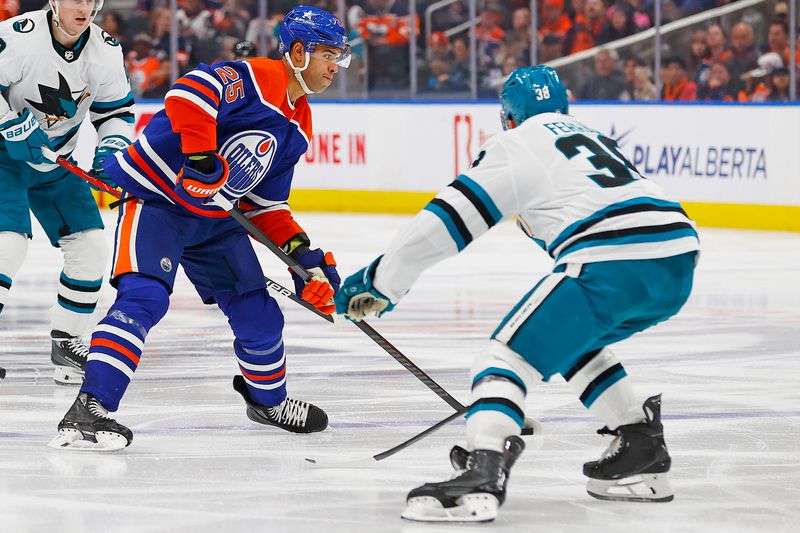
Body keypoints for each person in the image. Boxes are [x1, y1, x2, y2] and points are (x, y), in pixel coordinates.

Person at [335, 66, 699, 522]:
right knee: (571, 343)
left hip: (613, 258)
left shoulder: (518, 141)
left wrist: (381, 280)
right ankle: (640, 447)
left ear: (508, 116)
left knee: (503, 357)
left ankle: (482, 471)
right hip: (678, 258)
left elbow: (447, 221)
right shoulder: (589, 135)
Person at [50, 5, 349, 451]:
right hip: (159, 202)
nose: (335, 67)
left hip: (215, 219)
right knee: (144, 298)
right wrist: (202, 157)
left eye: (340, 57)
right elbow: (191, 93)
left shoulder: (299, 123)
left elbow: (265, 204)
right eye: (329, 54)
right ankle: (90, 409)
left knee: (259, 313)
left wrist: (302, 257)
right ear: (300, 51)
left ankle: (268, 401)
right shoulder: (256, 77)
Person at [0, 0, 135, 384]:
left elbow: (116, 113)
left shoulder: (106, 51)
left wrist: (112, 149)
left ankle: (68, 341)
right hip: (3, 157)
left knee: (91, 246)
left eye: (91, 0)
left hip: (57, 160)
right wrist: (9, 123)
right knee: (7, 245)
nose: (84, 7)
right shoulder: (17, 36)